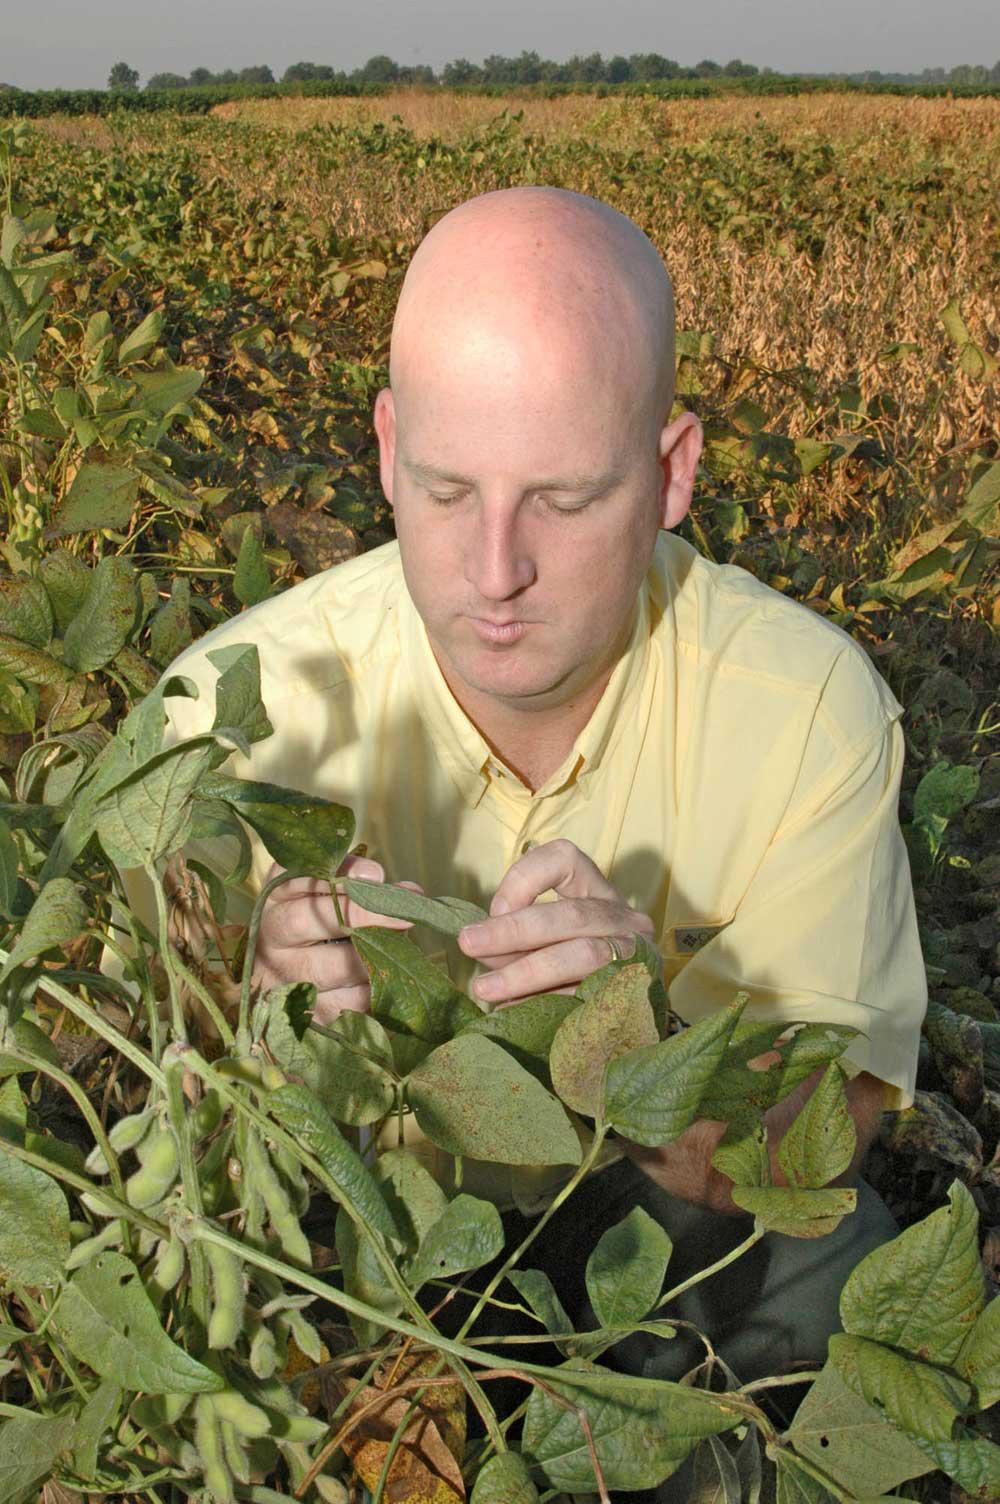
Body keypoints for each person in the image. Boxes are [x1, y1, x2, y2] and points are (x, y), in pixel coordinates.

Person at [117, 186, 925, 1398]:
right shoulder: (225, 716)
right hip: (343, 1249)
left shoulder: (807, 712)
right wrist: (253, 1026)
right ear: (386, 450)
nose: (496, 572)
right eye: (445, 492)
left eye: (564, 498)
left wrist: (644, 1059)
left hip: (663, 1251)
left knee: (830, 1287)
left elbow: (812, 1156)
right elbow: (143, 1109)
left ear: (671, 473)